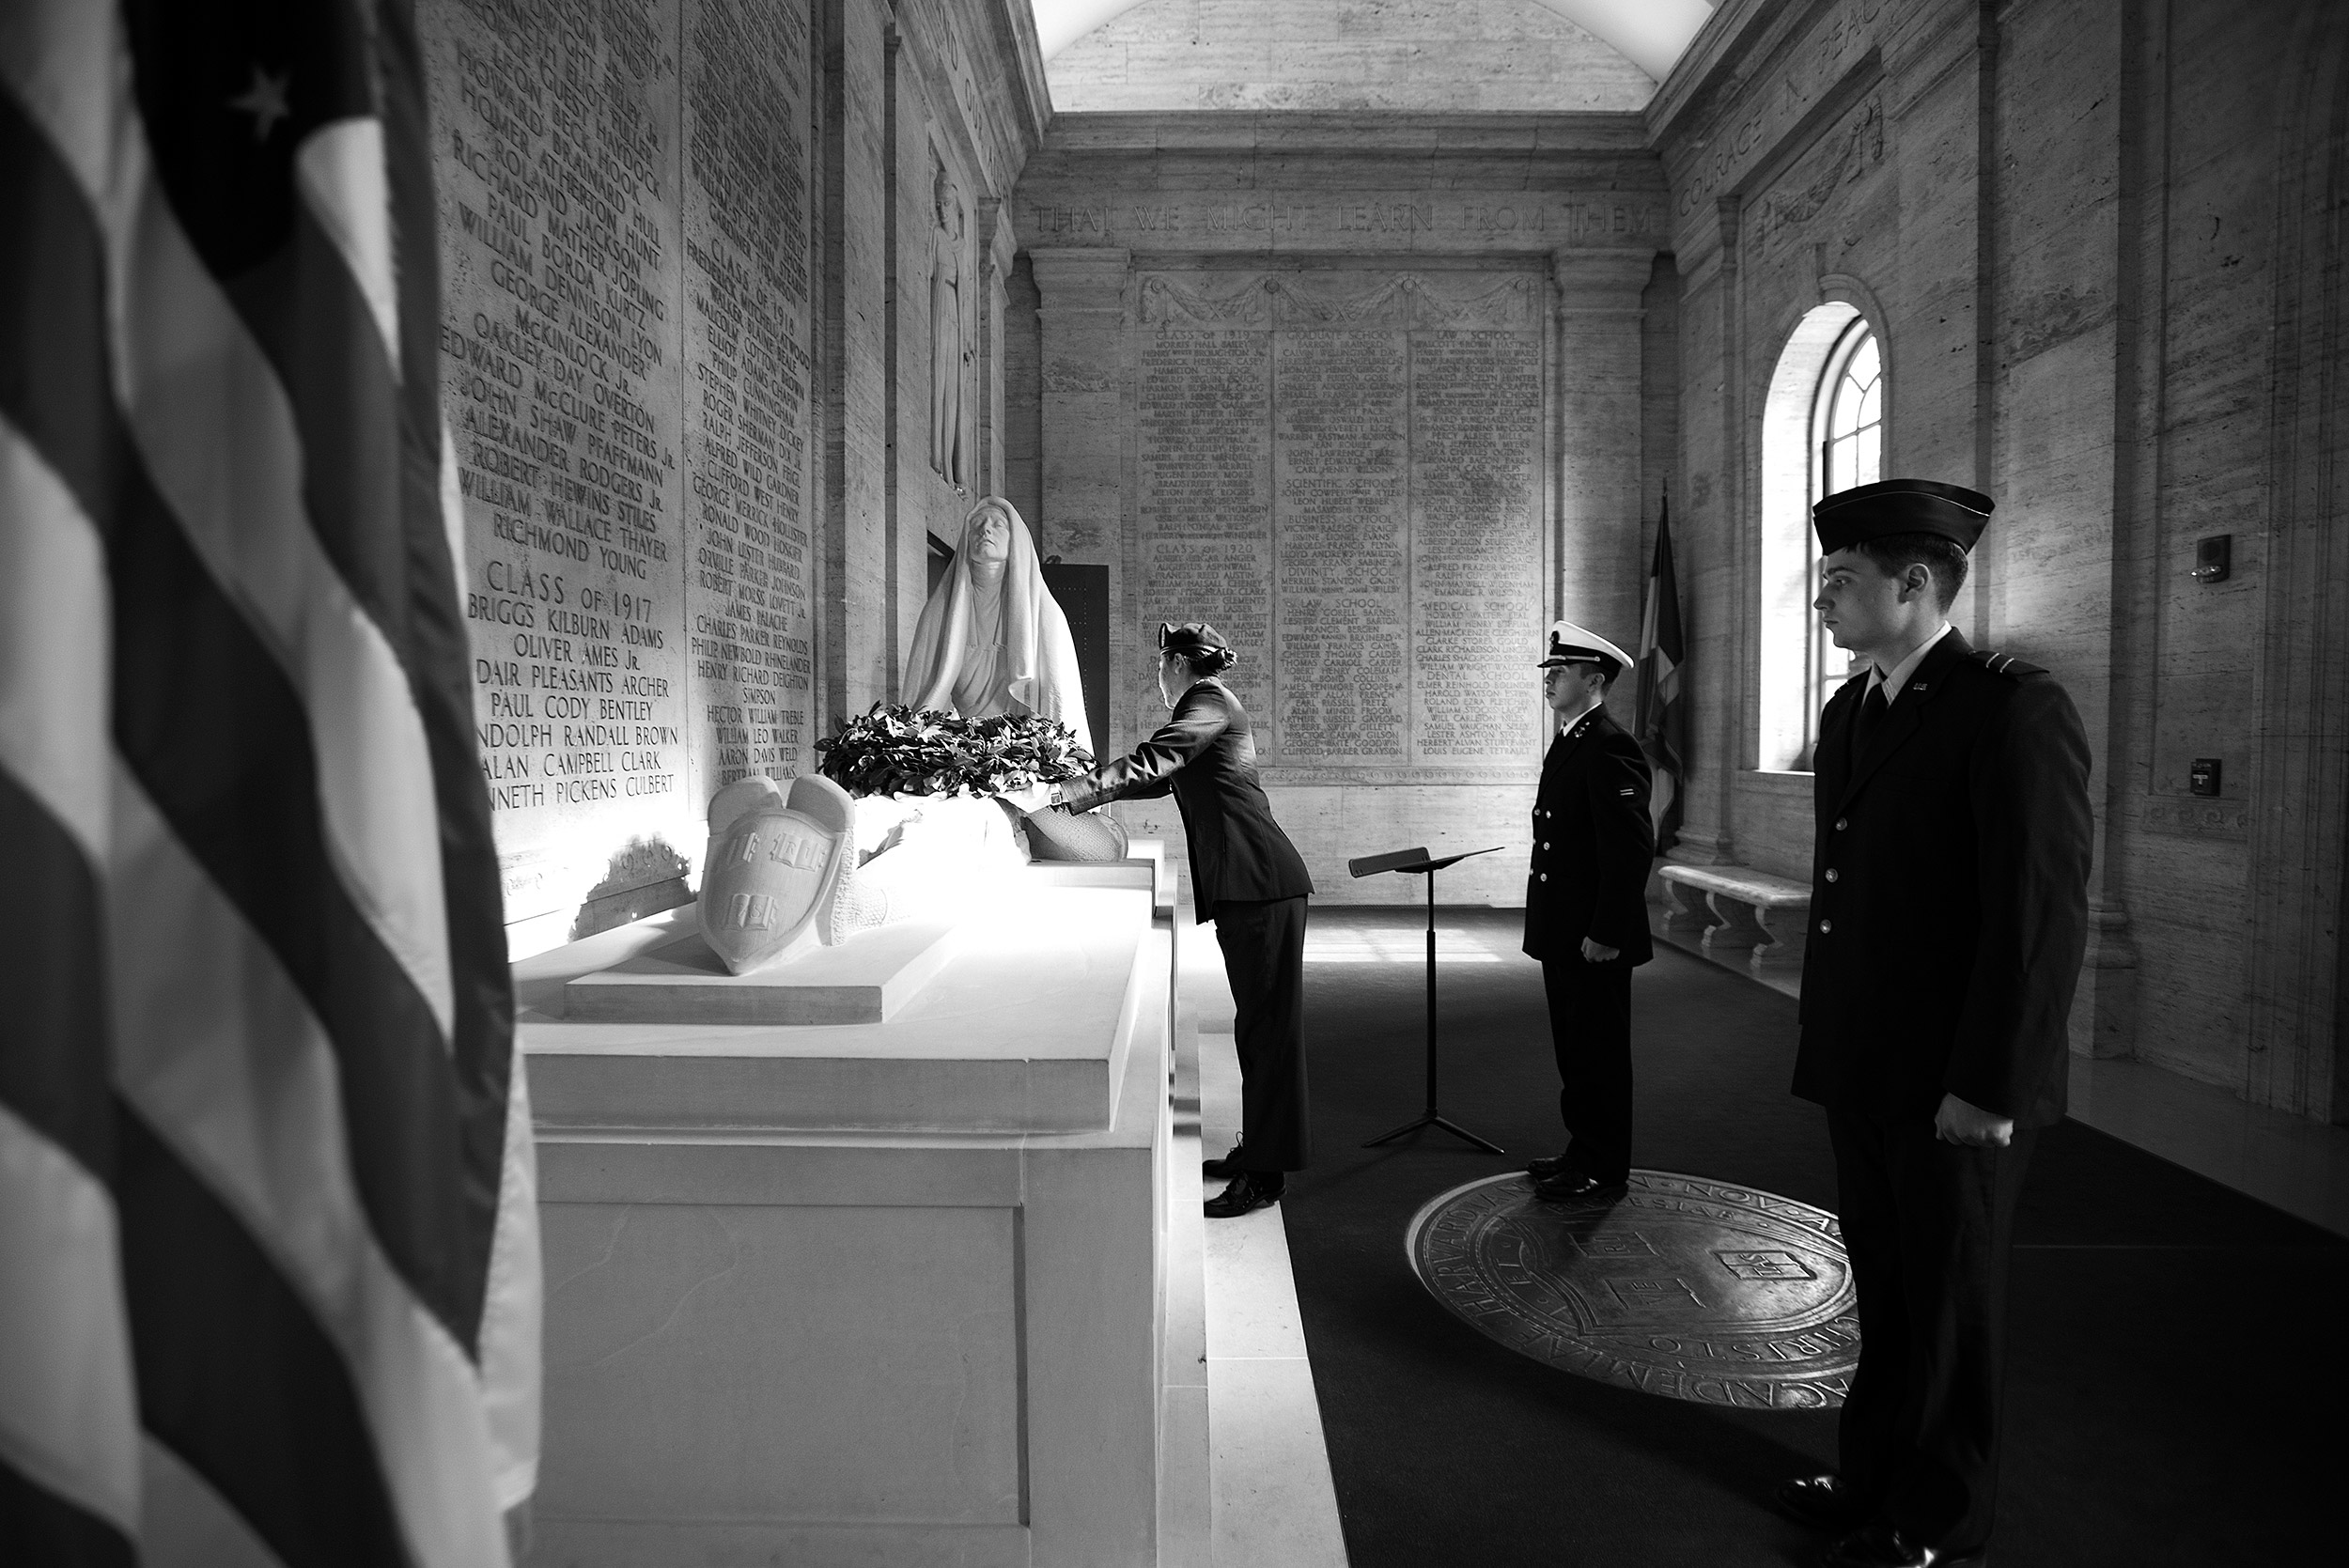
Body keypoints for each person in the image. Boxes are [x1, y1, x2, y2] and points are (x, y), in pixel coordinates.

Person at [1776, 479, 2092, 1568]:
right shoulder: (1851, 707)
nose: (1820, 595)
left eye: (1840, 578)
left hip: (1955, 1078)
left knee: (1953, 1303)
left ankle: (1938, 1516)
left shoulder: (2009, 706)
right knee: (1887, 1285)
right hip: (1867, 1064)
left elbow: (2035, 917)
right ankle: (1870, 1474)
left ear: (1913, 585)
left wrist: (1992, 1085)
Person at [1005, 623, 1314, 1219]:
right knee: (1257, 1027)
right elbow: (1163, 777)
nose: (1158, 675)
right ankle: (1260, 1153)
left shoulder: (1207, 701)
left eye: (1161, 664)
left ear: (1176, 663)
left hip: (1262, 884)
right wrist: (1077, 789)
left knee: (1270, 1033)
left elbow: (1155, 760)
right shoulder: (1206, 707)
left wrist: (1067, 795)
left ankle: (1267, 1177)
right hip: (1251, 888)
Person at [1519, 620, 1655, 1207]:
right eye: (1550, 671)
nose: (1550, 680)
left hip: (1592, 934)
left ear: (1594, 679)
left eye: (1561, 671)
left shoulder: (1609, 744)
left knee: (1598, 1052)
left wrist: (1606, 931)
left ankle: (1604, 1165)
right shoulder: (1574, 738)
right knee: (1575, 1049)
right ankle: (1582, 1151)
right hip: (1565, 929)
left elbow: (1628, 851)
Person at [902, 496, 1093, 756]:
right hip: (963, 750)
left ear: (1015, 539)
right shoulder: (938, 614)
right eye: (977, 524)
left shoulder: (1047, 618)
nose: (985, 530)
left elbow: (1057, 706)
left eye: (997, 525)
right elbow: (920, 697)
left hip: (1024, 752)